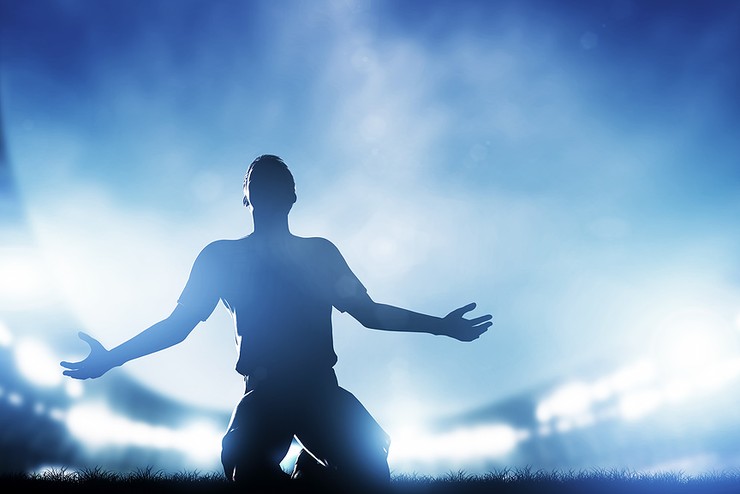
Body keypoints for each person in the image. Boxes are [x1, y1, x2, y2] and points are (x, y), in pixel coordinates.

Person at [61, 154, 493, 491]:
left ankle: (312, 472)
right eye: (258, 183)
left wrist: (441, 325)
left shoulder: (318, 253)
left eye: (278, 183)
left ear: (292, 196)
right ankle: (304, 473)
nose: (268, 190)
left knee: (370, 472)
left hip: (318, 390)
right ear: (248, 196)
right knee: (247, 474)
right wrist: (111, 359)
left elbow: (369, 313)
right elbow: (178, 325)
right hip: (264, 394)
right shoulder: (222, 257)